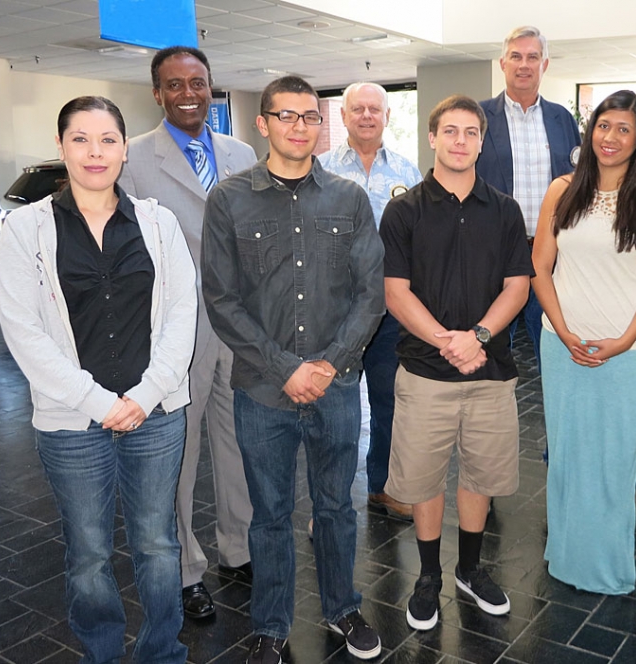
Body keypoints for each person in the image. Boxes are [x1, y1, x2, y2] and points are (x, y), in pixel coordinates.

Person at [0, 96, 196, 663]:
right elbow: (24, 333)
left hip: (155, 417)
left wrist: (146, 395)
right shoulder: (25, 231)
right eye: (80, 139)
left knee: (158, 545)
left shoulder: (158, 223)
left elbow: (183, 315)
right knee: (88, 554)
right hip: (70, 421)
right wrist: (98, 401)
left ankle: (162, 652)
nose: (95, 152)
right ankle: (101, 653)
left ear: (125, 149)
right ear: (60, 148)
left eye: (107, 139)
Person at [201, 76, 384, 662]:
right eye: (287, 116)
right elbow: (222, 300)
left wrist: (327, 365)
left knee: (335, 508)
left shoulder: (349, 199)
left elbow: (370, 294)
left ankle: (342, 609)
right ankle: (272, 627)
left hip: (336, 387)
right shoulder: (229, 199)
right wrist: (286, 369)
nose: (299, 127)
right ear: (263, 123)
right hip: (262, 389)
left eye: (310, 117)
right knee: (270, 516)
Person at [379, 95, 533, 631]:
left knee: (480, 474)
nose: (461, 141)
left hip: (490, 372)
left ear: (482, 142)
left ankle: (469, 569)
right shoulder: (404, 211)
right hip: (425, 372)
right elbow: (395, 293)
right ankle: (428, 578)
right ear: (432, 137)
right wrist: (451, 342)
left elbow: (519, 285)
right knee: (423, 481)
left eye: (471, 132)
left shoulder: (506, 210)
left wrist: (481, 337)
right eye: (450, 131)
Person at [119, 45, 257, 619]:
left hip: (242, 324)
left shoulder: (241, 151)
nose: (187, 95)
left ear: (210, 86)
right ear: (157, 93)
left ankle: (240, 548)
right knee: (179, 448)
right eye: (173, 85)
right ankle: (183, 569)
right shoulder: (131, 159)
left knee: (240, 441)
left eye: (196, 83)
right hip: (177, 328)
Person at [532, 90, 636, 594]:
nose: (610, 137)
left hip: (626, 352)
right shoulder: (562, 190)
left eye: (623, 129)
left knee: (614, 461)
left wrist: (623, 340)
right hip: (562, 345)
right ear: (589, 132)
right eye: (603, 126)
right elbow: (540, 268)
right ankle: (565, 557)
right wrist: (562, 328)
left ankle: (608, 567)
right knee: (569, 457)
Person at [319, 81, 422, 520]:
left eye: (373, 109)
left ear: (386, 116)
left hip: (389, 307)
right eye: (356, 109)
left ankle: (383, 487)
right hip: (333, 309)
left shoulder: (407, 172)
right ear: (342, 116)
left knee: (389, 401)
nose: (365, 115)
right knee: (333, 411)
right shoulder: (317, 168)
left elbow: (422, 238)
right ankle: (329, 504)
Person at [477, 25, 580, 369]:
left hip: (549, 258)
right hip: (493, 256)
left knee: (554, 352)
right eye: (516, 57)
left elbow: (578, 185)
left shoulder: (562, 120)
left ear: (544, 65)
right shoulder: (479, 118)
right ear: (502, 63)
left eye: (532, 57)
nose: (524, 64)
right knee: (487, 352)